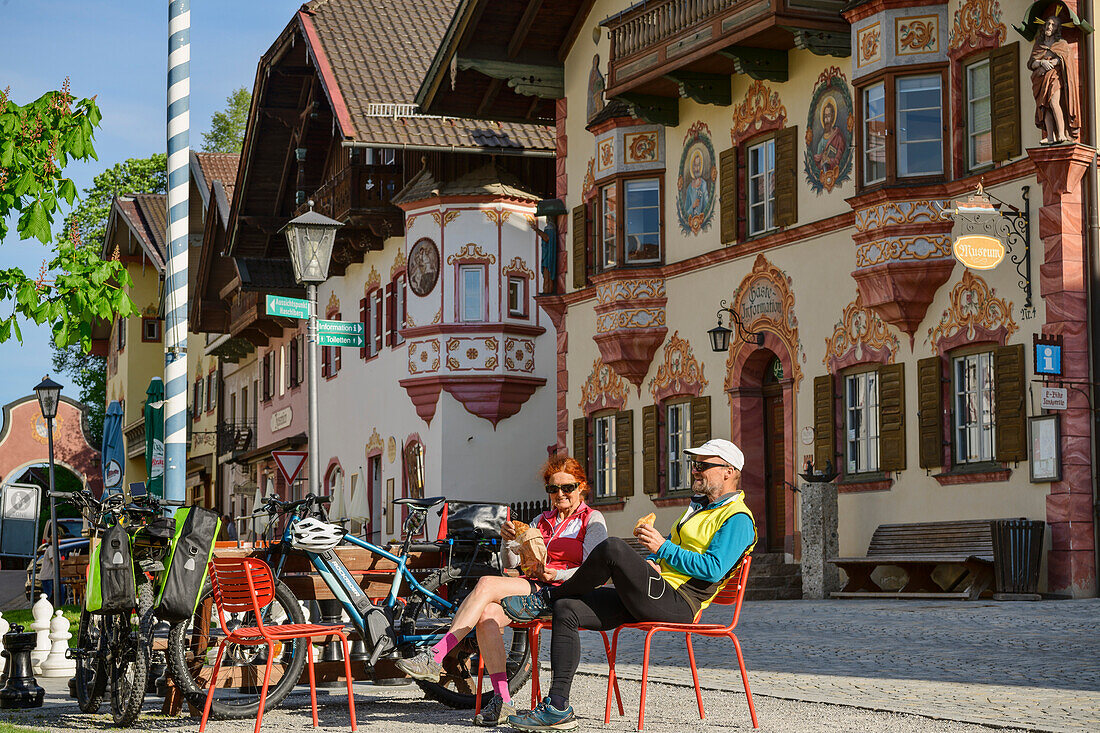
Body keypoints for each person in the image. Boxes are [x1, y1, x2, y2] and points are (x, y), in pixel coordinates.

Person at [499, 438, 757, 732]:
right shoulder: (698, 509)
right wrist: (655, 563)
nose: (695, 471)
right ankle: (558, 707)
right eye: (693, 465)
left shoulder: (737, 517)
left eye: (702, 465)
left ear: (728, 471)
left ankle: (544, 597)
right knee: (566, 607)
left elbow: (712, 570)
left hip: (680, 604)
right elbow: (674, 558)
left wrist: (662, 548)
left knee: (613, 548)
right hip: (656, 593)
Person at [396, 454, 608, 727]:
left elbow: (594, 570)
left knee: (485, 583)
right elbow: (513, 564)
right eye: (553, 489)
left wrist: (556, 573)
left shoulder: (592, 519)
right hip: (537, 585)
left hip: (567, 591)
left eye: (567, 488)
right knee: (487, 616)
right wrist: (508, 542)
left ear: (581, 487)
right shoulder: (541, 520)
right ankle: (502, 699)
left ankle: (436, 656)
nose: (560, 494)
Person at [1029, 13, 1080, 144]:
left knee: (1053, 102)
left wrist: (1050, 63)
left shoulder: (1061, 44)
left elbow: (1064, 59)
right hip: (1041, 79)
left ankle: (1062, 133)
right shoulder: (1038, 45)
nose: (1049, 26)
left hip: (1055, 77)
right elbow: (1031, 63)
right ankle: (1050, 136)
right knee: (1044, 106)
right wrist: (1041, 63)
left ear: (1057, 29)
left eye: (1053, 25)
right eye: (1048, 24)